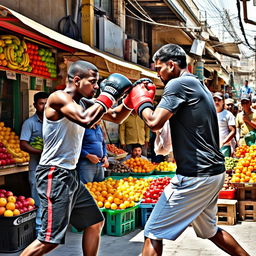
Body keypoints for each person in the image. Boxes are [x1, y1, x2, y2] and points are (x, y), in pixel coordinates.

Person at [123, 44, 250, 256]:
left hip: (195, 175)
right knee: (211, 231)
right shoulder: (197, 84)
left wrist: (142, 102)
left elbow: (154, 122)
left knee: (152, 231)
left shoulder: (178, 84)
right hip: (212, 173)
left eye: (159, 68)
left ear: (172, 65)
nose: (158, 74)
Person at [20, 60, 137, 256]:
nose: (98, 87)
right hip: (53, 174)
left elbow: (116, 116)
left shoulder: (83, 103)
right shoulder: (58, 98)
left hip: (70, 175)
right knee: (48, 241)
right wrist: (108, 95)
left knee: (95, 222)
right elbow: (86, 119)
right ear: (76, 80)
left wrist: (131, 101)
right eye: (93, 81)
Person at [20, 91, 49, 235]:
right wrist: (41, 152)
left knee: (50, 199)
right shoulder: (29, 123)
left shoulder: (53, 122)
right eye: (41, 103)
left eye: (46, 103)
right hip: (36, 167)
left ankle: (48, 229)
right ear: (35, 105)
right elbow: (23, 145)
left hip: (51, 167)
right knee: (37, 199)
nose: (44, 106)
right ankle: (38, 231)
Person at [213, 92, 236, 156]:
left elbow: (233, 131)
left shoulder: (228, 114)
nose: (216, 102)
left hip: (225, 147)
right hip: (213, 147)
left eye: (219, 100)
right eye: (214, 100)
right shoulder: (211, 113)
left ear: (223, 102)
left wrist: (223, 142)